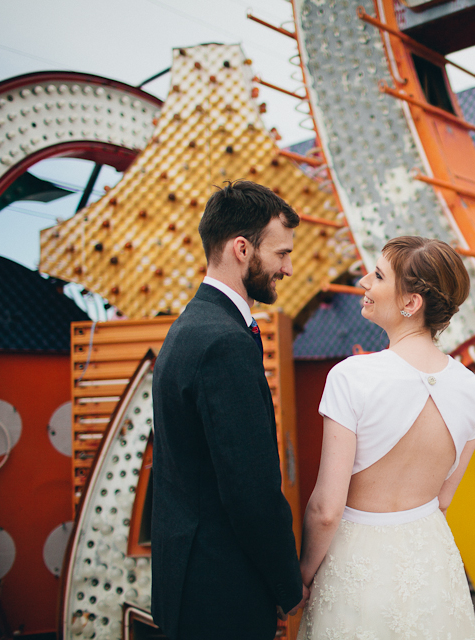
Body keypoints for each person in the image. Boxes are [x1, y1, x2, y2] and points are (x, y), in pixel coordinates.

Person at [297, 236, 475, 639]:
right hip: (432, 565)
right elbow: (443, 499)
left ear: (410, 303)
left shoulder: (352, 377)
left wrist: (302, 576)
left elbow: (326, 509)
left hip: (356, 566)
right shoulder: (470, 388)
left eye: (378, 275)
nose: (364, 281)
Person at [151, 180, 308, 639]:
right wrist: (288, 584)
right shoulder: (224, 343)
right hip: (221, 593)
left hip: (190, 582)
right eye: (281, 254)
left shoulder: (189, 326)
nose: (289, 268)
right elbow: (250, 489)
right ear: (242, 248)